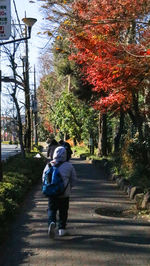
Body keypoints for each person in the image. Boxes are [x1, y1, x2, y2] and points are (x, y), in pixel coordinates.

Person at [42, 146, 77, 238]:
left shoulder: (49, 165)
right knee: (63, 211)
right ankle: (62, 229)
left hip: (52, 193)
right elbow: (74, 179)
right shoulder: (69, 166)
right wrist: (69, 188)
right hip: (64, 193)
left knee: (52, 209)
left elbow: (44, 179)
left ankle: (52, 222)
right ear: (65, 154)